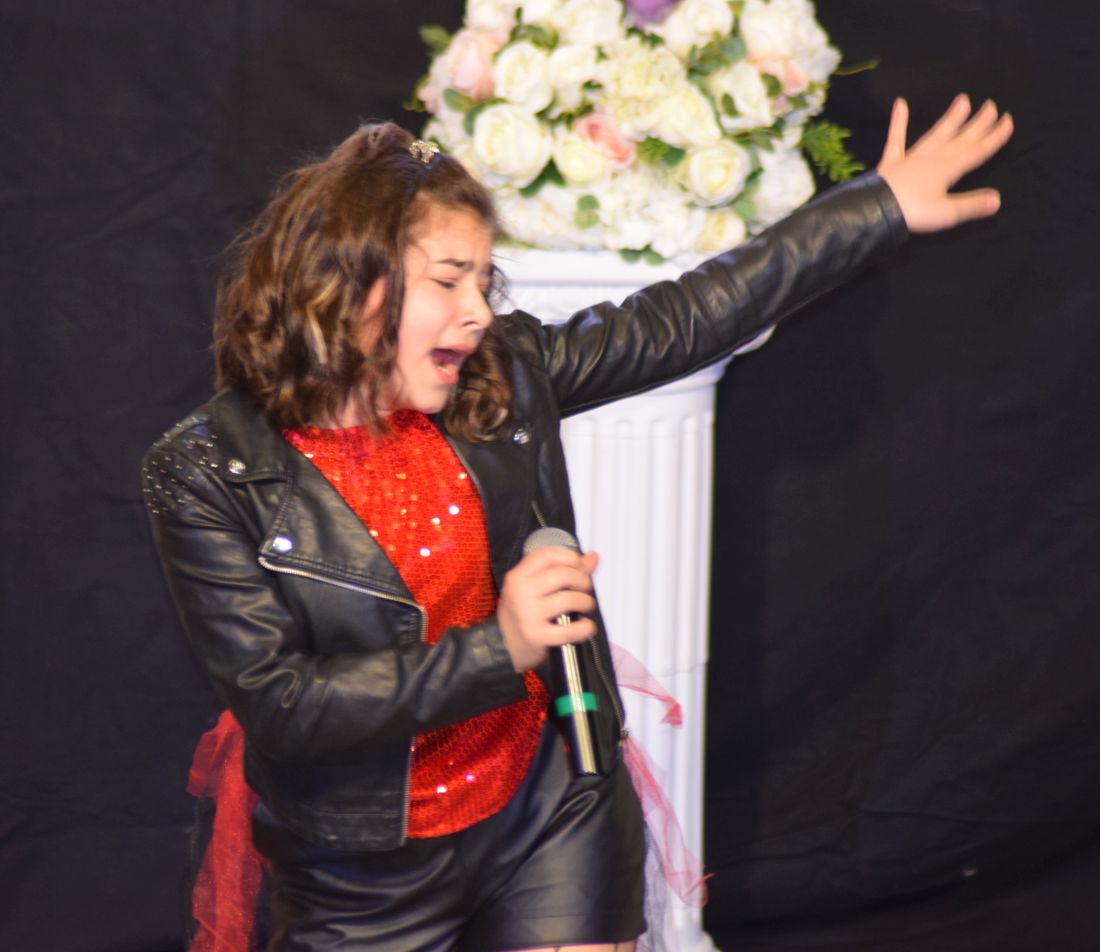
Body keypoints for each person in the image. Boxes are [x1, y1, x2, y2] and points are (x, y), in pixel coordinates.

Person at [142, 94, 1013, 952]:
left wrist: (876, 207)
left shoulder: (503, 370)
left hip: (547, 806)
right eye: (448, 280)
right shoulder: (206, 470)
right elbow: (285, 704)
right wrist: (503, 647)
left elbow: (687, 317)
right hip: (362, 863)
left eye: (484, 280)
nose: (478, 310)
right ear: (345, 280)